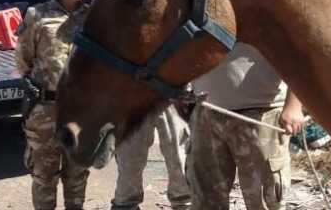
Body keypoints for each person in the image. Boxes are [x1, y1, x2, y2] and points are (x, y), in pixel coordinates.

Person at [16, 0, 94, 210]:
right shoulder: (37, 15)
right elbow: (23, 60)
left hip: (81, 112)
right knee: (44, 177)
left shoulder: (93, 18)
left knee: (77, 176)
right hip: (45, 111)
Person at [187, 42, 305, 210]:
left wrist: (294, 105)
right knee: (205, 198)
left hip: (262, 115)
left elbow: (298, 52)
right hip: (206, 111)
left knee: (265, 201)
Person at [110, 105, 191, 210]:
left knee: (179, 160)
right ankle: (126, 205)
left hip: (172, 97)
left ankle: (185, 204)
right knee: (129, 164)